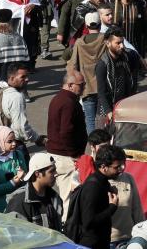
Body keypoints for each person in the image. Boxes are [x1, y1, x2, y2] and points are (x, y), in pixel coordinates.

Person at [46, 71, 88, 212]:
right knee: (69, 197)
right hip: (66, 157)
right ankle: (67, 228)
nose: (83, 88)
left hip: (59, 154)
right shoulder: (69, 103)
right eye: (81, 85)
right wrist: (74, 155)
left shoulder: (58, 99)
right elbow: (66, 132)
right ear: (70, 85)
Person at [73, 144, 125, 249]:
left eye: (122, 166)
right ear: (103, 167)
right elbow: (89, 222)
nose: (120, 170)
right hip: (91, 244)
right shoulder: (93, 187)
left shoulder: (103, 181)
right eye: (116, 167)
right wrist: (112, 207)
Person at [6, 151, 64, 231]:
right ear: (37, 174)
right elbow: (15, 236)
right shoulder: (19, 202)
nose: (56, 174)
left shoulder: (54, 197)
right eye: (51, 171)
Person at [96, 26, 142, 125]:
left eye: (122, 42)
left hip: (125, 108)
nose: (121, 46)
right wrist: (109, 112)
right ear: (107, 43)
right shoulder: (103, 64)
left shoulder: (128, 58)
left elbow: (133, 81)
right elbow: (101, 92)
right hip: (106, 111)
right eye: (117, 43)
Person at [0, 125, 29, 212]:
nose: (14, 143)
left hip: (18, 206)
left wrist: (23, 176)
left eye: (14, 140)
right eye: (10, 141)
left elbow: (26, 180)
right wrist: (12, 183)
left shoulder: (18, 155)